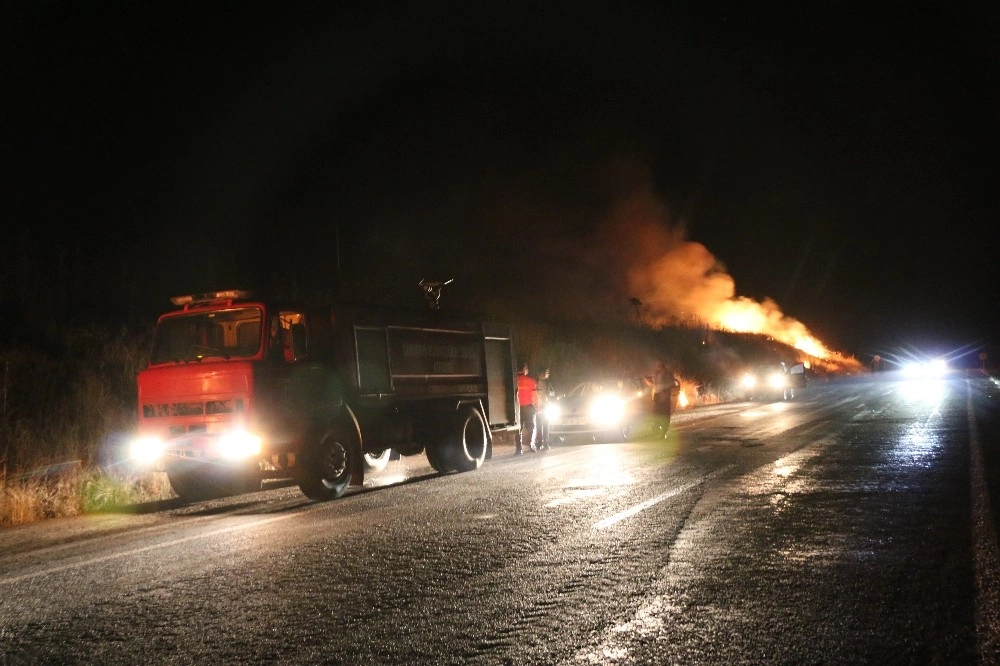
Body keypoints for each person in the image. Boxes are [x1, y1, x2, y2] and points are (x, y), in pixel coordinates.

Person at [644, 360, 677, 434]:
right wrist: (648, 380)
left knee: (664, 413)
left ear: (662, 365)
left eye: (659, 365)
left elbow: (672, 383)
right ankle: (657, 427)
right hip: (657, 396)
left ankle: (664, 430)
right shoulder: (657, 374)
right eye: (657, 365)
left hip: (664, 396)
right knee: (656, 412)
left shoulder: (667, 374)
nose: (657, 366)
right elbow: (654, 384)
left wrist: (664, 388)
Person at [515, 363, 538, 455]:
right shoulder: (531, 381)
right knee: (531, 426)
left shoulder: (514, 381)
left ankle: (518, 448)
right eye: (527, 369)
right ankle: (531, 444)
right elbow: (535, 396)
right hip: (529, 407)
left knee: (518, 428)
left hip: (518, 407)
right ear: (524, 369)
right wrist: (538, 406)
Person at [535, 368, 556, 450]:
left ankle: (544, 442)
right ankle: (540, 442)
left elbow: (552, 392)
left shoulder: (546, 382)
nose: (548, 375)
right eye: (547, 373)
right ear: (543, 373)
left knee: (545, 424)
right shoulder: (536, 382)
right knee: (540, 425)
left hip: (545, 406)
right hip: (539, 406)